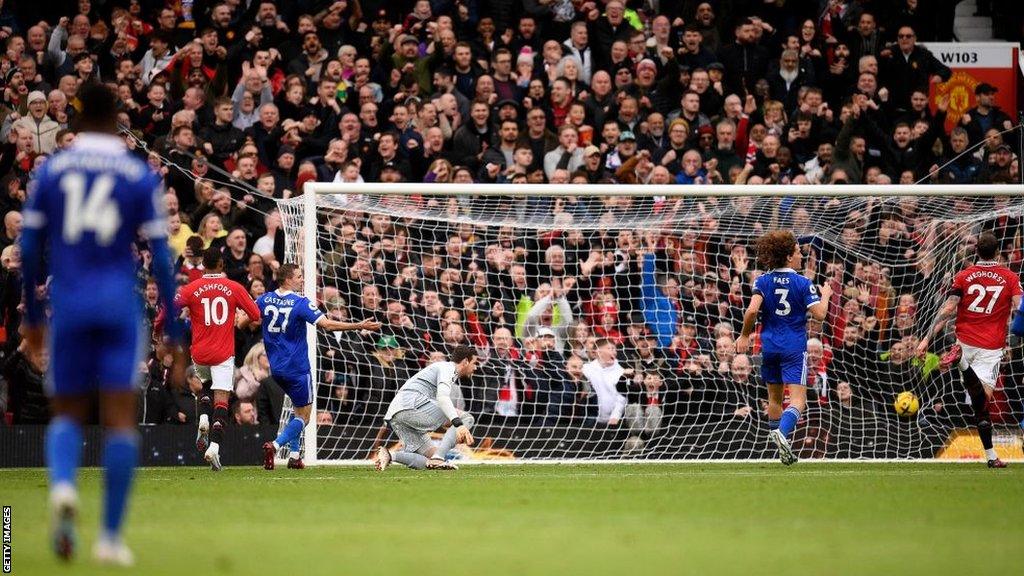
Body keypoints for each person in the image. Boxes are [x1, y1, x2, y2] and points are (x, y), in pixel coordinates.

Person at [19, 83, 186, 566]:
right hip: (118, 305)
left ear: (74, 117)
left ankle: (66, 485)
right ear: (115, 118)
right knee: (118, 423)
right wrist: (173, 327)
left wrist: (32, 314)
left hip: (69, 304)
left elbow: (29, 249)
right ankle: (110, 538)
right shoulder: (135, 175)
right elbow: (160, 256)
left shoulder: (54, 168)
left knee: (67, 412)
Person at [257, 263, 381, 469]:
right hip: (297, 367)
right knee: (304, 417)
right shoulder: (300, 302)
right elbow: (328, 325)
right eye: (298, 276)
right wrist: (360, 325)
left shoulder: (264, 299)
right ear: (287, 279)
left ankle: (295, 456)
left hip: (276, 368)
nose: (302, 279)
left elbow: (246, 316)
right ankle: (276, 445)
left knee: (297, 410)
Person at [918, 231, 1022, 468]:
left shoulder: (964, 275)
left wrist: (926, 339)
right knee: (982, 401)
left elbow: (948, 309)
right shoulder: (1010, 277)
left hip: (963, 341)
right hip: (990, 348)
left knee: (979, 406)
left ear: (976, 251)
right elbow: (1020, 307)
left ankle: (991, 456)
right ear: (998, 252)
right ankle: (962, 362)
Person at [736, 231, 831, 465]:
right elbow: (819, 315)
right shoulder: (802, 283)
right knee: (798, 401)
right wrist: (825, 295)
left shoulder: (762, 281)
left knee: (775, 400)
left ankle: (778, 449)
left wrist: (744, 336)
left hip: (769, 347)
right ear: (789, 257)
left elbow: (751, 311)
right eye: (798, 252)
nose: (801, 256)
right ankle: (783, 433)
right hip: (793, 348)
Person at [174, 248, 262, 471]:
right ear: (221, 265)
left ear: (203, 264)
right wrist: (237, 319)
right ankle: (214, 447)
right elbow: (255, 315)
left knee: (205, 386)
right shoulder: (234, 287)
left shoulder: (190, 288)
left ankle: (203, 418)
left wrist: (158, 329)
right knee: (222, 400)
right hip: (223, 352)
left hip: (200, 352)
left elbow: (169, 308)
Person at [375, 344, 479, 471]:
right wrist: (458, 424)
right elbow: (442, 397)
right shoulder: (447, 367)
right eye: (474, 363)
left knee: (432, 459)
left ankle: (390, 455)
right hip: (411, 406)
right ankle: (439, 457)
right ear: (465, 361)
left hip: (396, 415)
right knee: (466, 418)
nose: (476, 367)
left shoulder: (442, 370)